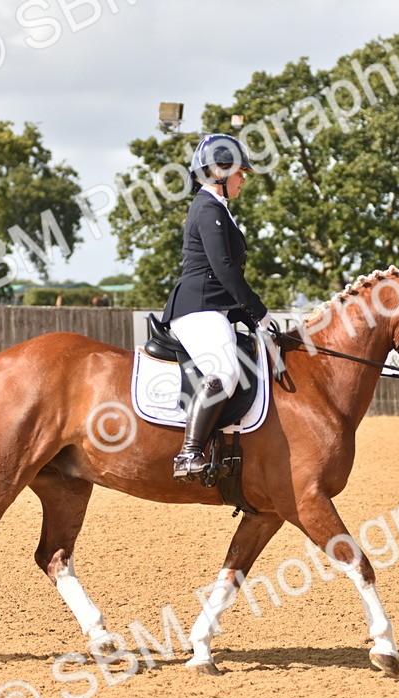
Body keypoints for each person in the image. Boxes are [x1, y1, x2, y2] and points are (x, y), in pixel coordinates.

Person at [161, 133, 276, 482]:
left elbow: (223, 275)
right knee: (224, 371)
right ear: (219, 173)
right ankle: (189, 452)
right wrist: (258, 311)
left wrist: (249, 317)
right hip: (196, 308)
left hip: (213, 307)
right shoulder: (207, 207)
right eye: (240, 172)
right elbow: (223, 268)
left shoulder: (217, 209)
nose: (244, 179)